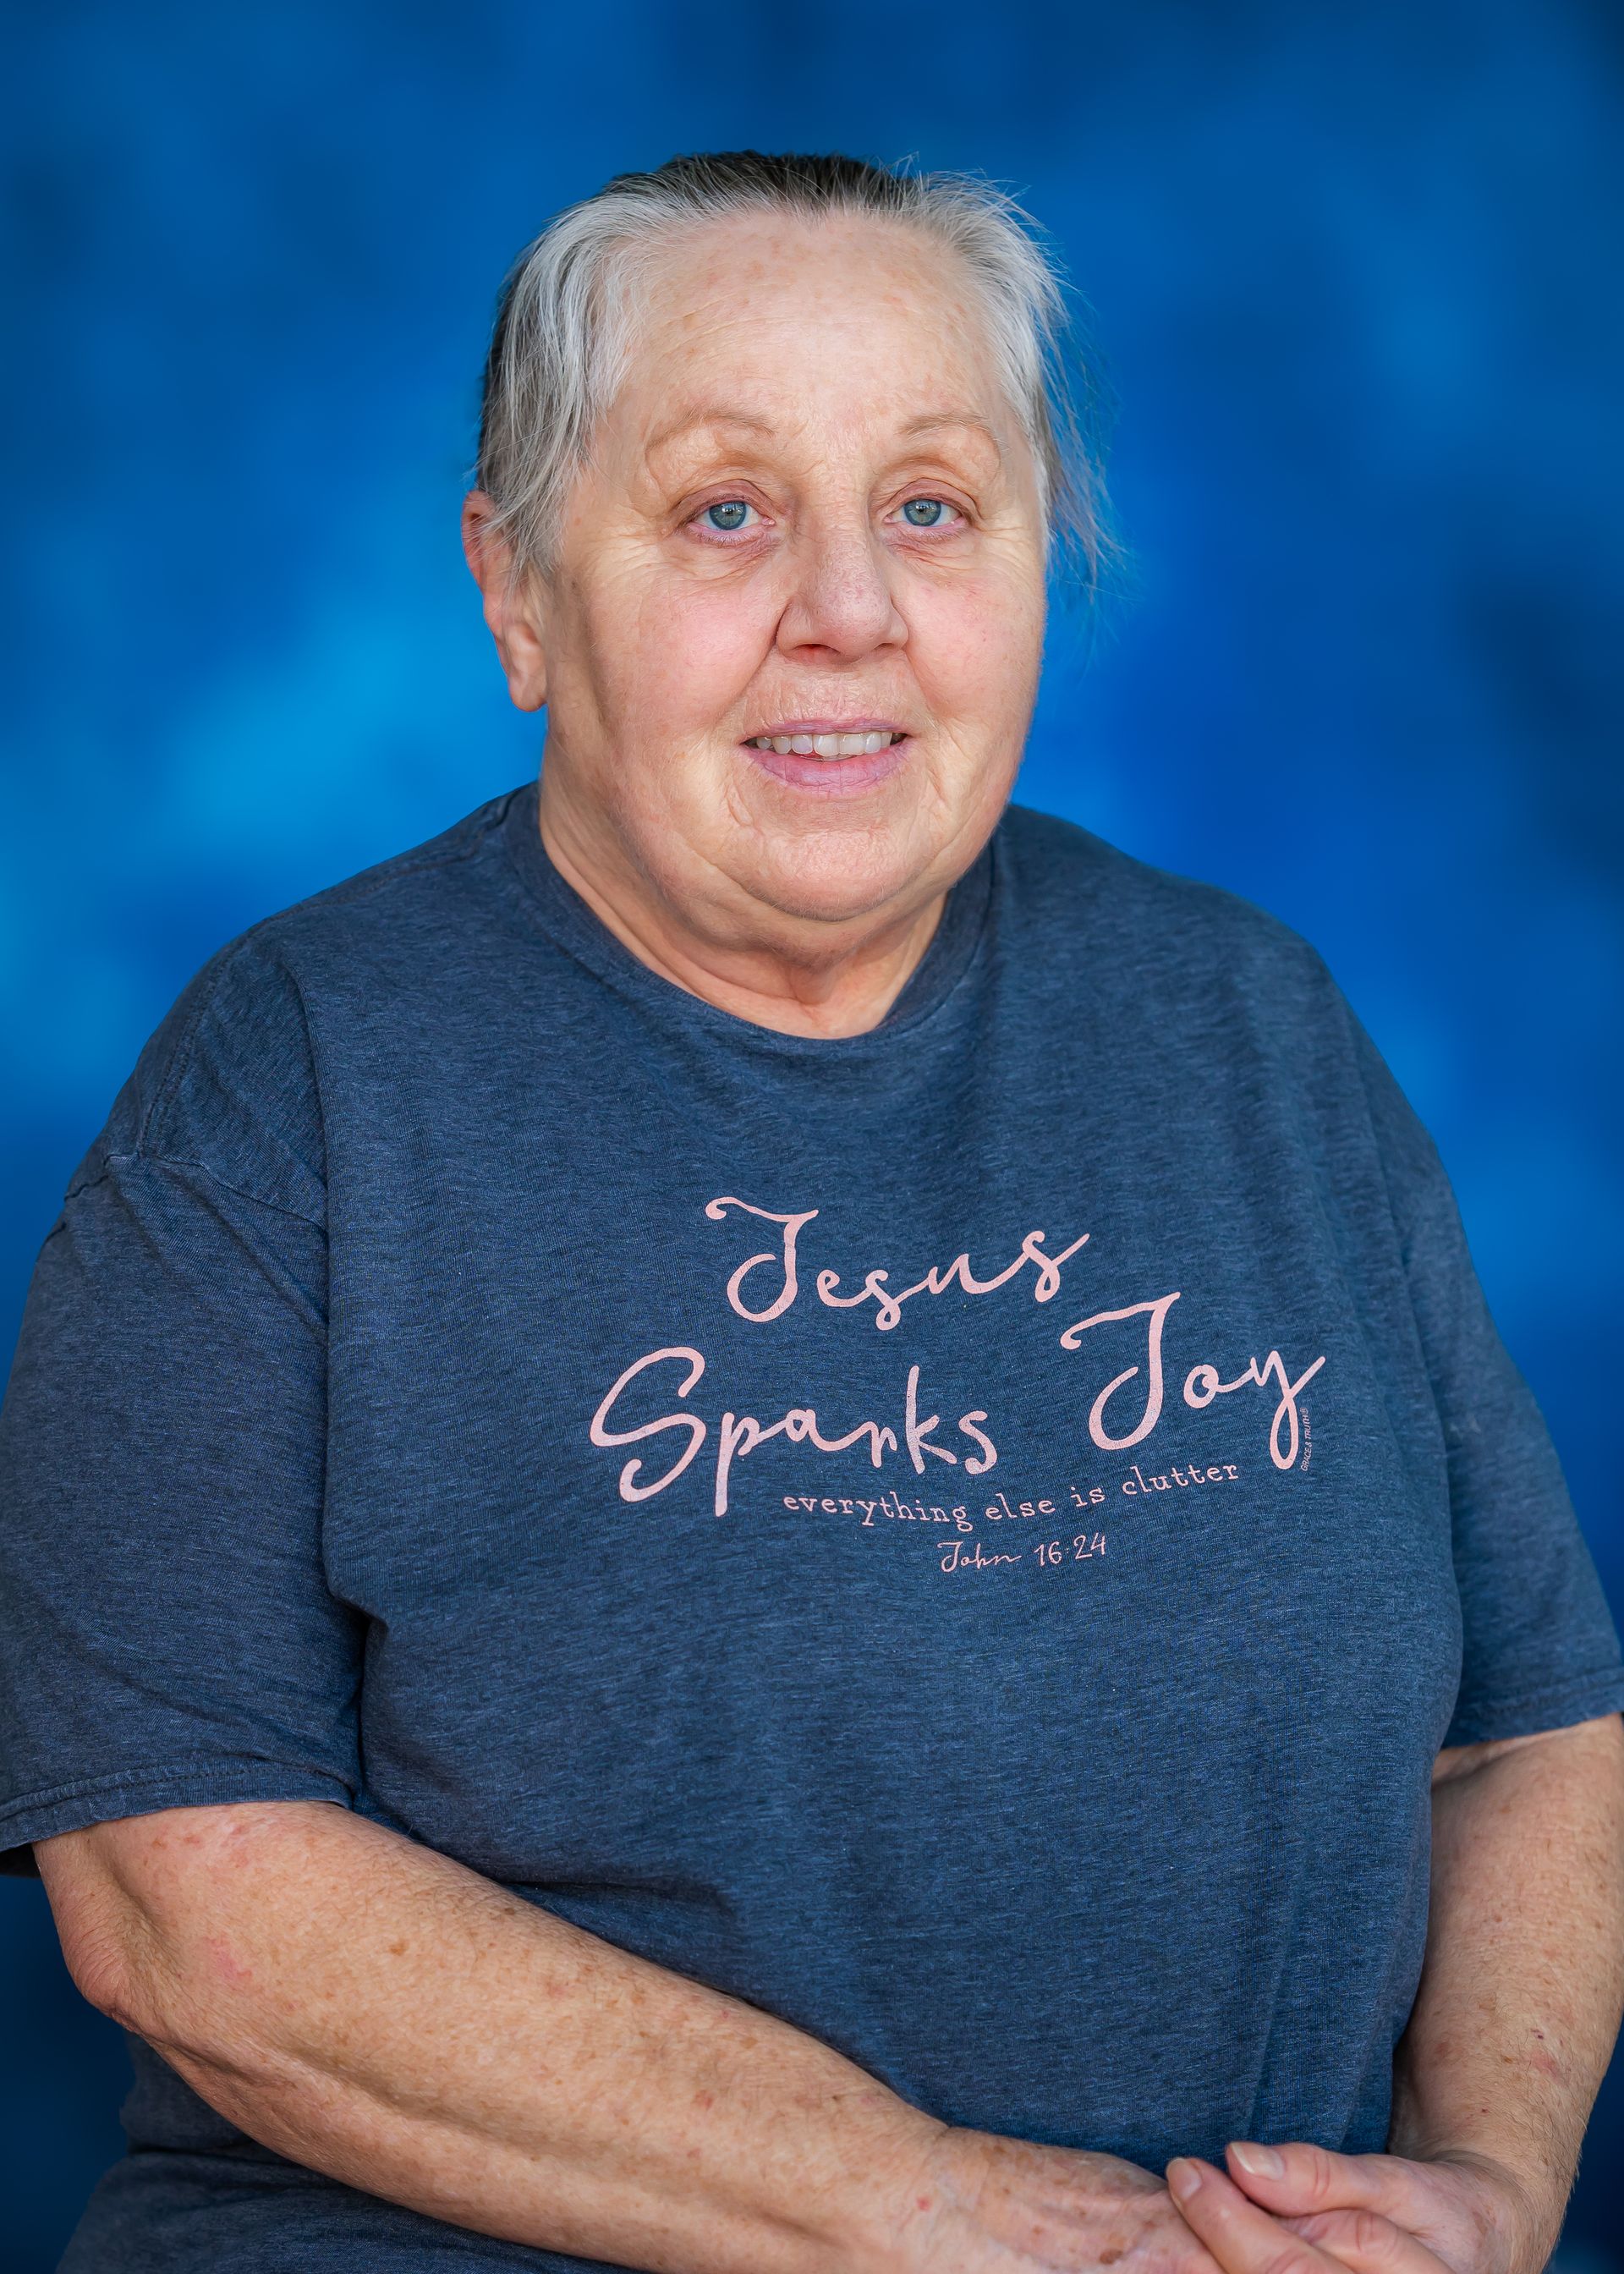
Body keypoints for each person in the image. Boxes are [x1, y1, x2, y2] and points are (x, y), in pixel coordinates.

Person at [2, 148, 1621, 2274]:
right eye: (725, 512)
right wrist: (947, 2218)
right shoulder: (292, 1077)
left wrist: (1490, 2187)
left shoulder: (1253, 1026)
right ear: (515, 594)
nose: (846, 607)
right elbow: (176, 1903)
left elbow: (1532, 1731)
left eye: (933, 507)